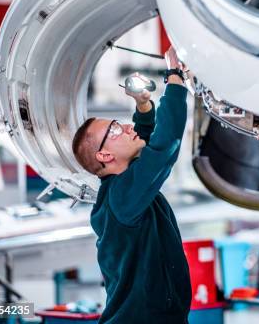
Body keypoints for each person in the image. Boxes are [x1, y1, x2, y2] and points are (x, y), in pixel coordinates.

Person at [71, 47, 190, 323]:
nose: (124, 127)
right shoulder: (122, 197)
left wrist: (144, 105)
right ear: (104, 156)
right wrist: (175, 78)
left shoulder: (121, 188)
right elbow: (163, 148)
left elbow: (144, 144)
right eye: (113, 130)